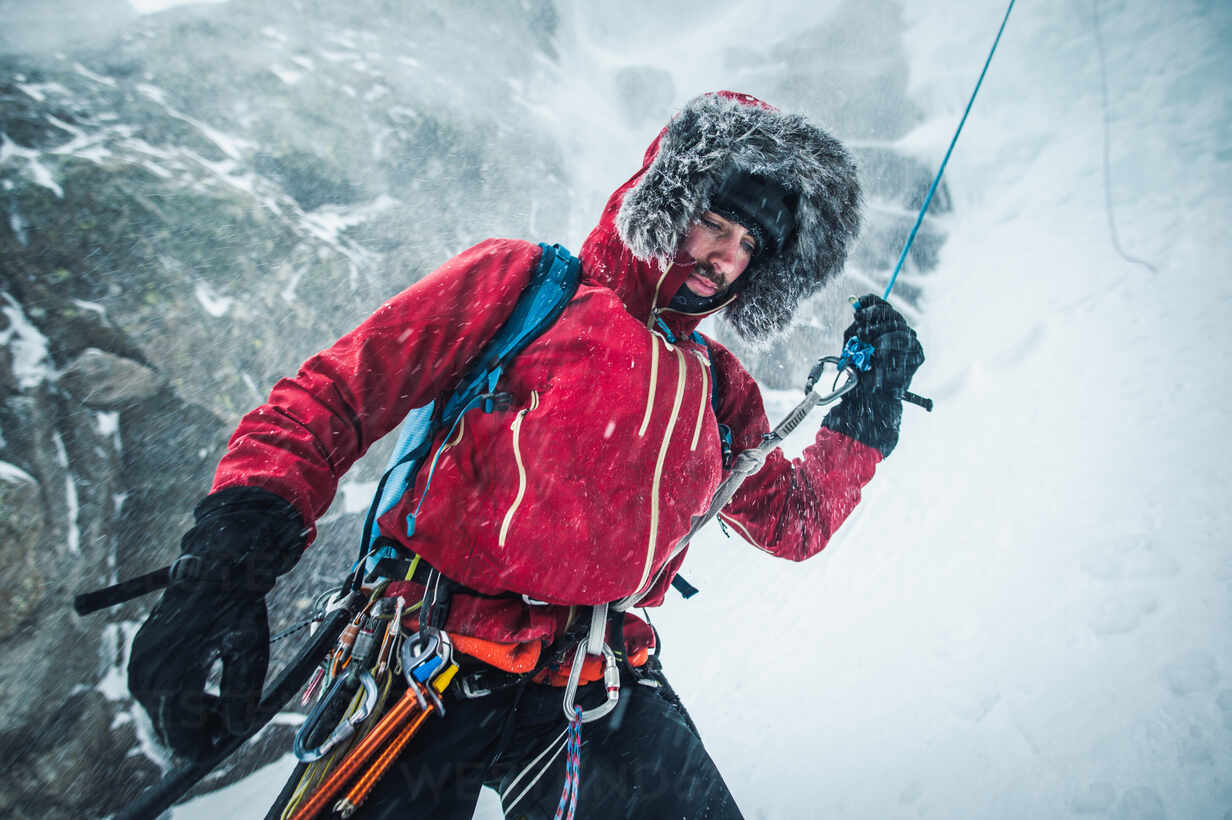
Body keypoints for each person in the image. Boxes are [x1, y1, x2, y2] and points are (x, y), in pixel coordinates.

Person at [127, 90, 924, 818]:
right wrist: (223, 569)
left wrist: (870, 404)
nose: (724, 257)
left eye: (750, 245)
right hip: (420, 661)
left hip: (594, 677)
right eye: (716, 222)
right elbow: (334, 396)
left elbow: (794, 521)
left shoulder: (718, 388)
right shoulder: (523, 286)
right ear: (667, 199)